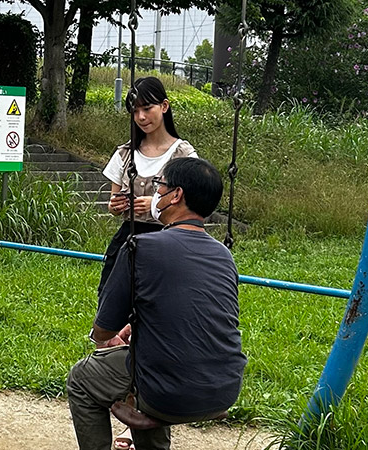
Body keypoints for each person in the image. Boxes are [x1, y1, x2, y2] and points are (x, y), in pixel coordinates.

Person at [67, 157, 248, 450]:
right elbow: (194, 315)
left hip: (170, 391)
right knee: (149, 366)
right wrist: (135, 328)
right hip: (224, 388)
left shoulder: (141, 246)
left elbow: (103, 330)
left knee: (83, 378)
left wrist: (110, 336)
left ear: (175, 195)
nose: (156, 193)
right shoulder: (223, 255)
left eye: (159, 186)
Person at [98, 77, 197, 297]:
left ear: (164, 106)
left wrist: (154, 205)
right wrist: (115, 207)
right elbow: (113, 204)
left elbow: (194, 207)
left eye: (147, 108)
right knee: (111, 302)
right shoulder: (124, 153)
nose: (141, 117)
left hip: (168, 241)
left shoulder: (184, 155)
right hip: (127, 240)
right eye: (134, 111)